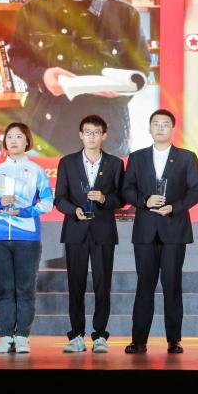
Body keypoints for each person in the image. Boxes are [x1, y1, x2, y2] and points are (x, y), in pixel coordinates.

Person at [10, 0, 151, 156]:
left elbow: (141, 66)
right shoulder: (33, 11)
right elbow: (17, 58)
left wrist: (124, 89)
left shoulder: (125, 14)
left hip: (108, 129)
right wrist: (43, 76)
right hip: (45, 129)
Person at [121, 110, 198, 354]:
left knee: (172, 285)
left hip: (174, 228)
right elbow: (126, 189)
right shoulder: (137, 157)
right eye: (155, 124)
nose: (160, 128)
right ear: (149, 128)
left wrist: (174, 207)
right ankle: (139, 340)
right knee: (144, 285)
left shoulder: (186, 157)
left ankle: (174, 340)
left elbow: (195, 191)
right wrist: (144, 201)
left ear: (173, 129)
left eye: (165, 124)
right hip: (145, 230)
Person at [0, 122, 54, 354]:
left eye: (19, 137)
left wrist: (25, 211)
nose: (13, 141)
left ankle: (22, 336)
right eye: (9, 137)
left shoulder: (36, 171)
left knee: (25, 288)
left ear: (27, 141)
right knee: (5, 288)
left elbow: (47, 202)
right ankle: (5, 336)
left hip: (27, 237)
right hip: (0, 237)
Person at [54, 114, 126, 353]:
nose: (92, 136)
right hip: (75, 231)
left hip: (103, 231)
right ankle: (76, 335)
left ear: (104, 135)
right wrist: (73, 210)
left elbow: (121, 199)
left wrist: (104, 199)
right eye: (87, 132)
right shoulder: (67, 162)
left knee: (102, 285)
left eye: (96, 132)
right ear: (80, 135)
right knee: (75, 285)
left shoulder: (115, 164)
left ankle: (100, 336)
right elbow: (59, 198)